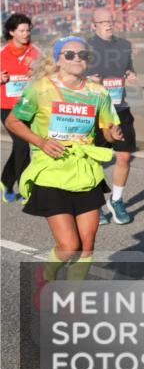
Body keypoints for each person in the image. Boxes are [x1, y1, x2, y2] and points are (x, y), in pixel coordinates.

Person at [4, 36, 122, 296]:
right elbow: (13, 121)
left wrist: (114, 134)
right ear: (57, 59)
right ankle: (46, 277)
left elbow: (107, 128)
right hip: (52, 172)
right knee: (69, 246)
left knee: (87, 244)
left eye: (83, 55)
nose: (77, 59)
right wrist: (41, 142)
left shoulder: (97, 92)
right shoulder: (40, 89)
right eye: (69, 55)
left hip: (85, 172)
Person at [87, 8, 138, 225]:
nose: (108, 24)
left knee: (124, 156)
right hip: (96, 112)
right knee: (96, 159)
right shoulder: (85, 48)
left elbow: (128, 69)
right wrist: (90, 80)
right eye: (103, 21)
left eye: (111, 21)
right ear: (94, 25)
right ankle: (95, 202)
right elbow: (73, 77)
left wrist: (131, 74)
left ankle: (116, 201)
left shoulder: (124, 45)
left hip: (120, 109)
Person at [1, 13, 40, 203]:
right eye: (22, 30)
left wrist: (37, 71)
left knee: (21, 146)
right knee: (22, 144)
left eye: (28, 30)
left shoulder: (35, 52)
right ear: (11, 32)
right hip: (7, 107)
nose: (26, 34)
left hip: (29, 105)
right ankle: (26, 190)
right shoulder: (1, 53)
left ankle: (5, 182)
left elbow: (47, 74)